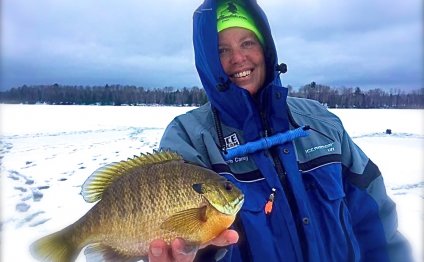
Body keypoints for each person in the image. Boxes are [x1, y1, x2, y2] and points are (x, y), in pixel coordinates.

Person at [149, 0, 412, 261]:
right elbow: (169, 233)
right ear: (208, 62)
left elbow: (376, 223)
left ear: (266, 49)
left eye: (247, 43)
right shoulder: (189, 138)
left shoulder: (321, 122)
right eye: (221, 50)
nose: (238, 58)